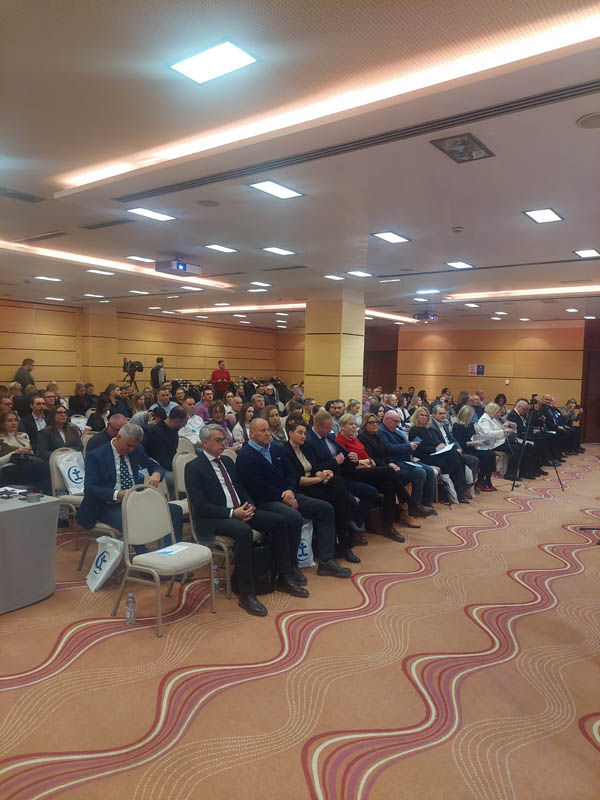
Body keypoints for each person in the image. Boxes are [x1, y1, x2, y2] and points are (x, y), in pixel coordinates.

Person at [185, 425, 289, 616]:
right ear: (205, 442)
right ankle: (246, 593)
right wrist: (233, 513)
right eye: (218, 440)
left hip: (240, 510)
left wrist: (249, 505)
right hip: (215, 518)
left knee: (279, 521)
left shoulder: (227, 461)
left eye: (224, 440)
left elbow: (241, 489)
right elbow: (200, 506)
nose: (223, 444)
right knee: (243, 532)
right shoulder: (193, 467)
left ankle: (282, 576)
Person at [236, 418, 350, 582]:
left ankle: (326, 561)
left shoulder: (275, 449)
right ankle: (291, 566)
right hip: (264, 501)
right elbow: (256, 486)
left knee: (326, 509)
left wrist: (290, 490)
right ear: (251, 433)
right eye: (263, 430)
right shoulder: (245, 456)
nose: (267, 433)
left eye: (268, 430)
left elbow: (291, 474)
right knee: (293, 517)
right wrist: (283, 496)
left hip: (288, 495)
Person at [77, 422, 183, 551]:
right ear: (118, 437)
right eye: (128, 445)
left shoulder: (137, 450)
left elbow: (155, 466)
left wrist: (156, 474)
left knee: (174, 511)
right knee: (131, 519)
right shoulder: (96, 456)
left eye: (134, 446)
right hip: (108, 505)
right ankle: (143, 557)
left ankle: (170, 552)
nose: (131, 449)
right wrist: (119, 494)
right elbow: (90, 489)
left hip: (136, 500)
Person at [284, 419, 359, 563]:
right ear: (290, 433)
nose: (303, 436)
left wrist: (323, 473)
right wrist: (319, 478)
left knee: (336, 482)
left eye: (305, 433)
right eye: (300, 433)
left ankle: (344, 539)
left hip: (314, 483)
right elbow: (296, 480)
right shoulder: (285, 451)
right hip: (301, 488)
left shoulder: (305, 448)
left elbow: (314, 468)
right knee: (334, 503)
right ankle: (345, 535)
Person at [333, 413, 413, 540]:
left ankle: (388, 527)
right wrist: (364, 462)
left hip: (365, 470)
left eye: (354, 424)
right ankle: (409, 501)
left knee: (390, 486)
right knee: (389, 471)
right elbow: (350, 464)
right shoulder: (339, 442)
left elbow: (369, 458)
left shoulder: (355, 439)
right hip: (353, 474)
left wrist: (366, 462)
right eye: (350, 424)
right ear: (342, 426)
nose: (353, 427)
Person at [357, 413, 427, 525]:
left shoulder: (377, 436)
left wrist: (391, 462)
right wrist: (388, 466)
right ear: (365, 424)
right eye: (372, 423)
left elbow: (386, 453)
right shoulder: (363, 438)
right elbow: (372, 458)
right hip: (375, 469)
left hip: (385, 467)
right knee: (404, 475)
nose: (375, 425)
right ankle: (410, 507)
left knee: (396, 482)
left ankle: (397, 519)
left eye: (376, 422)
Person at [408, 407, 470, 503]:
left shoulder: (429, 429)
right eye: (422, 415)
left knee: (455, 456)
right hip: (425, 457)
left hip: (437, 455)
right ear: (416, 416)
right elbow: (418, 448)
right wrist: (435, 449)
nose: (424, 417)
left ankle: (458, 491)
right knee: (455, 458)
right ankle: (460, 488)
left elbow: (436, 441)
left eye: (426, 415)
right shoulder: (415, 430)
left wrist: (441, 445)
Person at [378, 410, 437, 512]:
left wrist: (410, 445)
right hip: (395, 461)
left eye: (398, 421)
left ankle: (427, 503)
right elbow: (388, 448)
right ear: (387, 419)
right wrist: (408, 446)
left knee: (429, 470)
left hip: (405, 459)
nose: (398, 424)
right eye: (396, 421)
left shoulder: (395, 430)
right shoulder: (381, 431)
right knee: (420, 472)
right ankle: (415, 507)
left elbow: (402, 445)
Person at [0, 409, 52, 494]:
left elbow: (30, 454)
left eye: (15, 420)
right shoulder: (1, 439)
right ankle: (50, 496)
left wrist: (30, 453)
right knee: (43, 466)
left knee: (44, 474)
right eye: (9, 421)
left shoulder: (23, 436)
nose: (13, 423)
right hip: (8, 469)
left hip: (26, 465)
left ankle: (47, 497)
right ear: (2, 423)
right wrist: (15, 453)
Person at [429, 404, 480, 487]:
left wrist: (458, 448)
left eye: (444, 413)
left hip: (451, 450)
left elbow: (452, 439)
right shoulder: (431, 427)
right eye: (440, 413)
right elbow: (438, 443)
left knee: (474, 459)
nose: (443, 415)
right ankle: (462, 486)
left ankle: (468, 485)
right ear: (433, 414)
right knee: (467, 460)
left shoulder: (445, 424)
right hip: (442, 453)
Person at [142, 406, 188, 494]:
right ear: (177, 421)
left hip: (169, 465)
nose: (184, 426)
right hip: (157, 469)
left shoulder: (173, 430)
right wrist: (178, 468)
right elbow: (160, 459)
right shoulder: (155, 433)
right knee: (183, 479)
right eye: (184, 423)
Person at [453, 405, 497, 491]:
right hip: (465, 450)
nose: (473, 417)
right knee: (487, 456)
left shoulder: (470, 425)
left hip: (472, 447)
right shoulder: (457, 426)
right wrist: (474, 443)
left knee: (491, 453)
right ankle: (481, 481)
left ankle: (486, 479)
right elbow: (459, 443)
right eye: (471, 415)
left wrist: (481, 441)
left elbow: (473, 437)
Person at [475, 402, 523, 481]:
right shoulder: (484, 419)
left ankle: (513, 472)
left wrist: (506, 430)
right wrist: (504, 431)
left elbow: (499, 428)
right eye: (498, 411)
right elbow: (488, 433)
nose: (499, 413)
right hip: (491, 442)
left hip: (499, 440)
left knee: (518, 446)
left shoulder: (492, 418)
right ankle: (510, 473)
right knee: (516, 449)